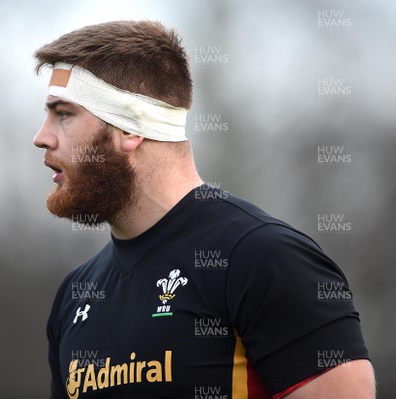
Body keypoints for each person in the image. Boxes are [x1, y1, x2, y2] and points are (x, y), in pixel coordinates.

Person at [32, 20, 375, 399]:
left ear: (129, 129)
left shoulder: (263, 259)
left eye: (63, 113)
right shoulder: (75, 295)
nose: (41, 137)